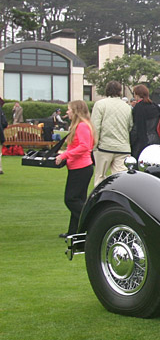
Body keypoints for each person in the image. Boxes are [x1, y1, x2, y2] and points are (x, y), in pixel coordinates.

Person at [54, 100, 94, 237]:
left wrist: (65, 155)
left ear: (75, 111)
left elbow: (84, 147)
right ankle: (74, 232)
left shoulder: (82, 126)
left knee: (71, 199)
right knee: (78, 199)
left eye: (69, 109)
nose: (67, 112)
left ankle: (92, 223)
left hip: (81, 168)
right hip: (79, 167)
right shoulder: (80, 126)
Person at [91, 80, 133, 185]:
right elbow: (130, 126)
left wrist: (94, 146)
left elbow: (95, 127)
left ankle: (99, 200)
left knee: (100, 177)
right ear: (120, 91)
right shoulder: (127, 107)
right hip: (122, 148)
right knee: (121, 180)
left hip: (104, 147)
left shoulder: (100, 104)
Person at [129, 84, 160, 158]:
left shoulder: (138, 108)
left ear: (137, 95)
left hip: (142, 141)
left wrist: (131, 141)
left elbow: (137, 128)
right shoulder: (154, 106)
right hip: (156, 139)